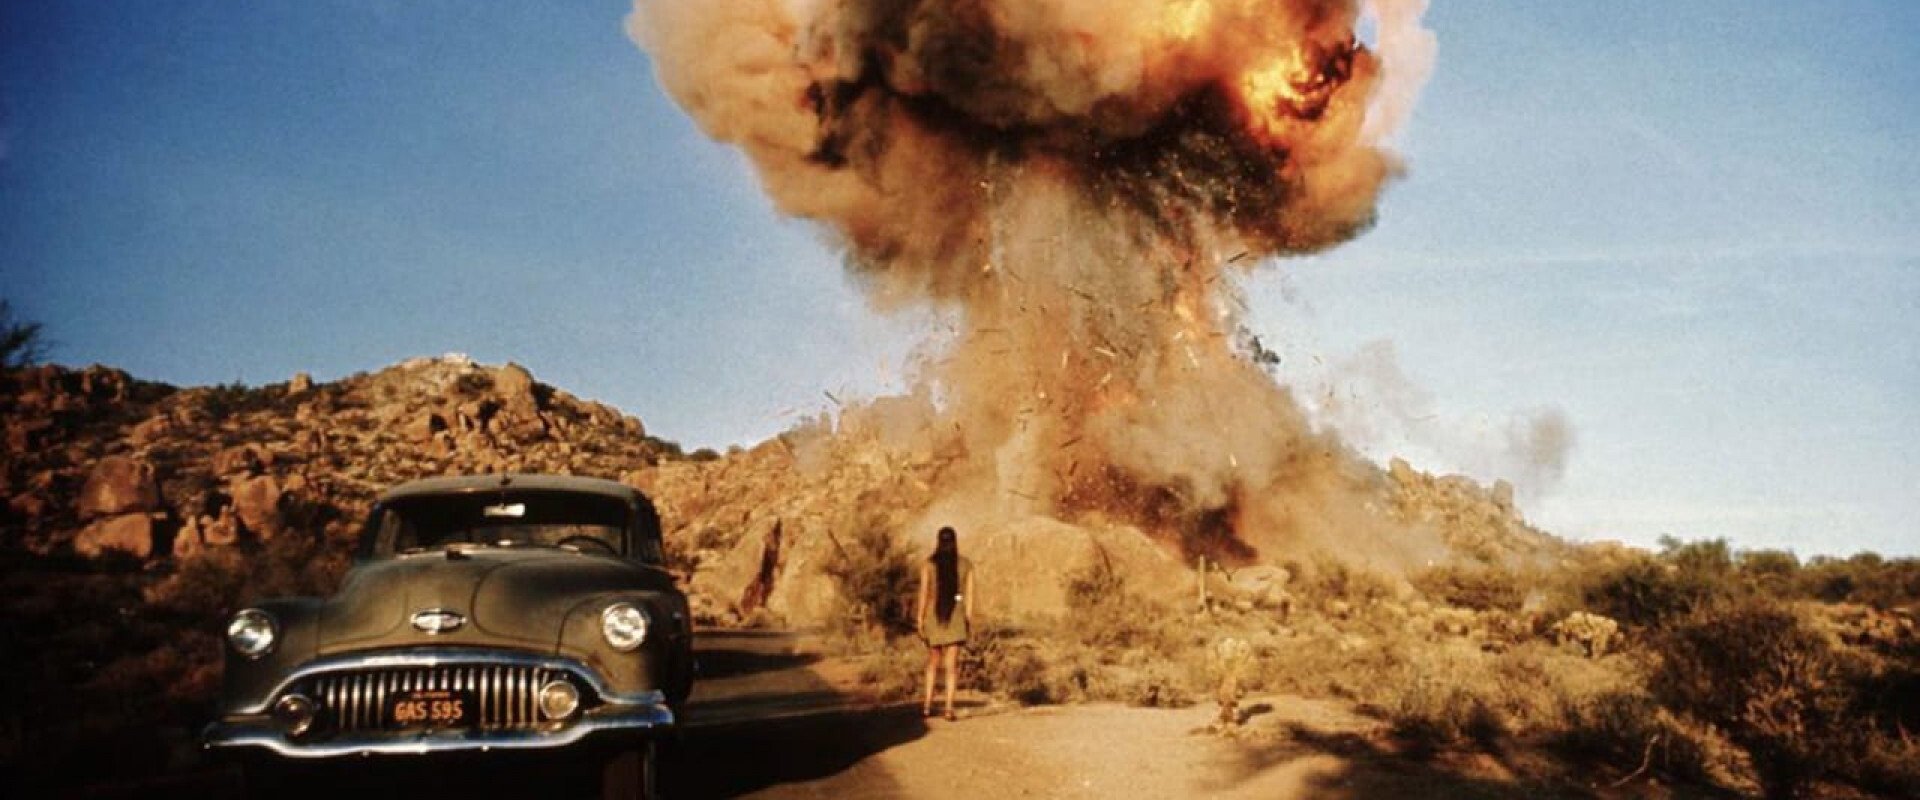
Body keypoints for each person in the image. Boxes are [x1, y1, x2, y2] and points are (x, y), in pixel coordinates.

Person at [916, 526, 973, 721]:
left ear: (939, 541)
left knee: (932, 662)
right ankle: (949, 708)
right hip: (956, 616)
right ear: (955, 541)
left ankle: (927, 706)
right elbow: (967, 596)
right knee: (951, 665)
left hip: (934, 616)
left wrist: (920, 618)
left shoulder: (928, 565)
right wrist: (967, 618)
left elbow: (924, 594)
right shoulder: (965, 564)